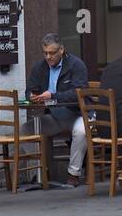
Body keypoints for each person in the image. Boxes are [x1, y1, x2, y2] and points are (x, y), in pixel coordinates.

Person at [25, 33, 90, 186]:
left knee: (81, 132)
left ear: (61, 50)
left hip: (76, 112)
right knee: (25, 130)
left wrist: (53, 95)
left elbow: (78, 92)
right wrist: (32, 96)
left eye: (52, 53)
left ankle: (73, 174)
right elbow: (29, 90)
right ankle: (43, 170)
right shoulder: (39, 67)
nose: (48, 57)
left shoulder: (76, 65)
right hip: (54, 115)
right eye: (45, 53)